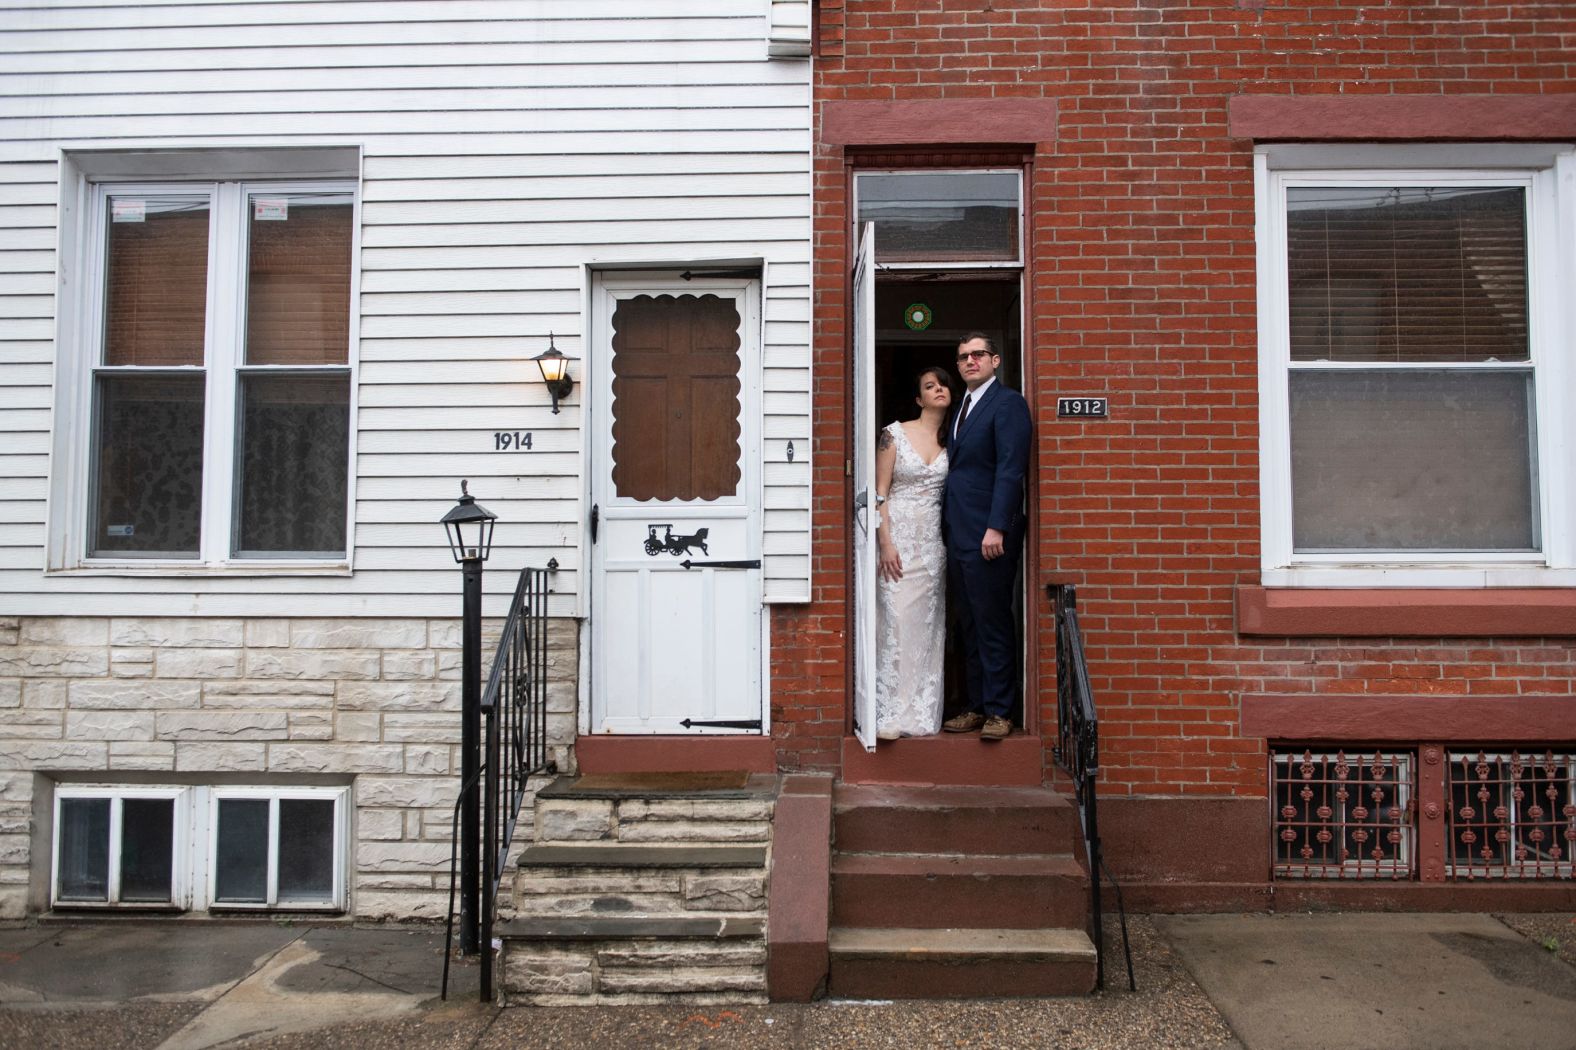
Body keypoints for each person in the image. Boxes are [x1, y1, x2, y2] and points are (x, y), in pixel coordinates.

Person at [941, 333, 1031, 741]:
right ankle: (977, 705)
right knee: (970, 623)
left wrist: (998, 525)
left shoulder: (1008, 403)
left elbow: (1011, 469)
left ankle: (1000, 710)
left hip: (989, 534)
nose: (970, 361)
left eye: (978, 355)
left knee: (993, 620)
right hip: (958, 533)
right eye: (963, 357)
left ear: (995, 360)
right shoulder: (961, 406)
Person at [873, 366, 953, 739]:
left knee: (926, 630)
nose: (938, 389)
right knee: (896, 624)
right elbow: (880, 493)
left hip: (932, 549)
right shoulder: (894, 435)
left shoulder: (953, 439)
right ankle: (888, 713)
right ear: (919, 398)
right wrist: (885, 543)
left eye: (943, 385)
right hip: (897, 544)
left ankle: (918, 714)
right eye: (929, 386)